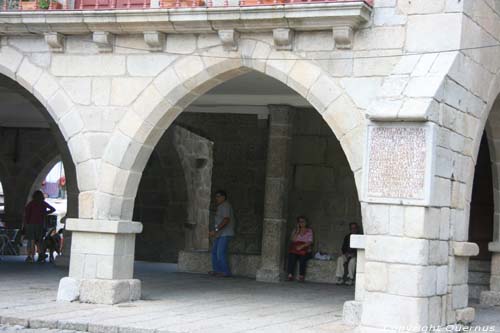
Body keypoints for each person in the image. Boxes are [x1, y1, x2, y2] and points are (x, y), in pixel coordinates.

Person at [23, 190, 56, 263]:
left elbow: (27, 214)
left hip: (31, 224)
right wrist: (45, 213)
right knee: (39, 240)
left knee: (31, 240)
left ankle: (31, 257)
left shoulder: (31, 203)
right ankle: (40, 254)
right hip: (40, 224)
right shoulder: (43, 203)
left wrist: (26, 223)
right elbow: (53, 209)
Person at [208, 190, 235, 277]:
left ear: (223, 197)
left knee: (220, 252)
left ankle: (225, 272)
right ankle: (217, 270)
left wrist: (215, 230)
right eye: (216, 196)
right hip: (220, 234)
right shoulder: (221, 206)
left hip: (225, 233)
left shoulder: (225, 205)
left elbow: (226, 220)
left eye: (218, 196)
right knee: (214, 252)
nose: (217, 198)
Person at [287, 216, 313, 282]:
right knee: (291, 256)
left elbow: (310, 242)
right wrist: (297, 231)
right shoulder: (295, 230)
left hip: (305, 249)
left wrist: (301, 246)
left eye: (303, 221)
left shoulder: (309, 231)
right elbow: (293, 240)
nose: (301, 223)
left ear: (306, 222)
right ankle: (290, 274)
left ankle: (301, 275)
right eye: (299, 222)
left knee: (303, 258)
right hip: (296, 249)